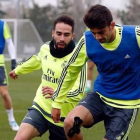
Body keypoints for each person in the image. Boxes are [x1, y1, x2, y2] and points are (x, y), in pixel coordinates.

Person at [51, 4, 140, 140]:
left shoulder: (135, 36)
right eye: (94, 32)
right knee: (70, 123)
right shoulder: (87, 41)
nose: (97, 37)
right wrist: (57, 103)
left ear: (112, 25)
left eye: (101, 32)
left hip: (126, 105)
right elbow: (70, 70)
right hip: (100, 97)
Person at [9, 15, 87, 140]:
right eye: (59, 33)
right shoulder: (45, 48)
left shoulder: (79, 59)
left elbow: (79, 93)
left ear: (72, 36)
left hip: (63, 118)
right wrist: (18, 70)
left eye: (66, 35)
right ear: (53, 33)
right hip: (40, 108)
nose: (62, 38)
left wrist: (56, 94)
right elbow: (36, 59)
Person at [0, 20, 19, 131]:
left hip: (0, 65)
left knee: (4, 93)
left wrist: (13, 61)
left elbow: (9, 42)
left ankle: (12, 120)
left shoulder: (2, 25)